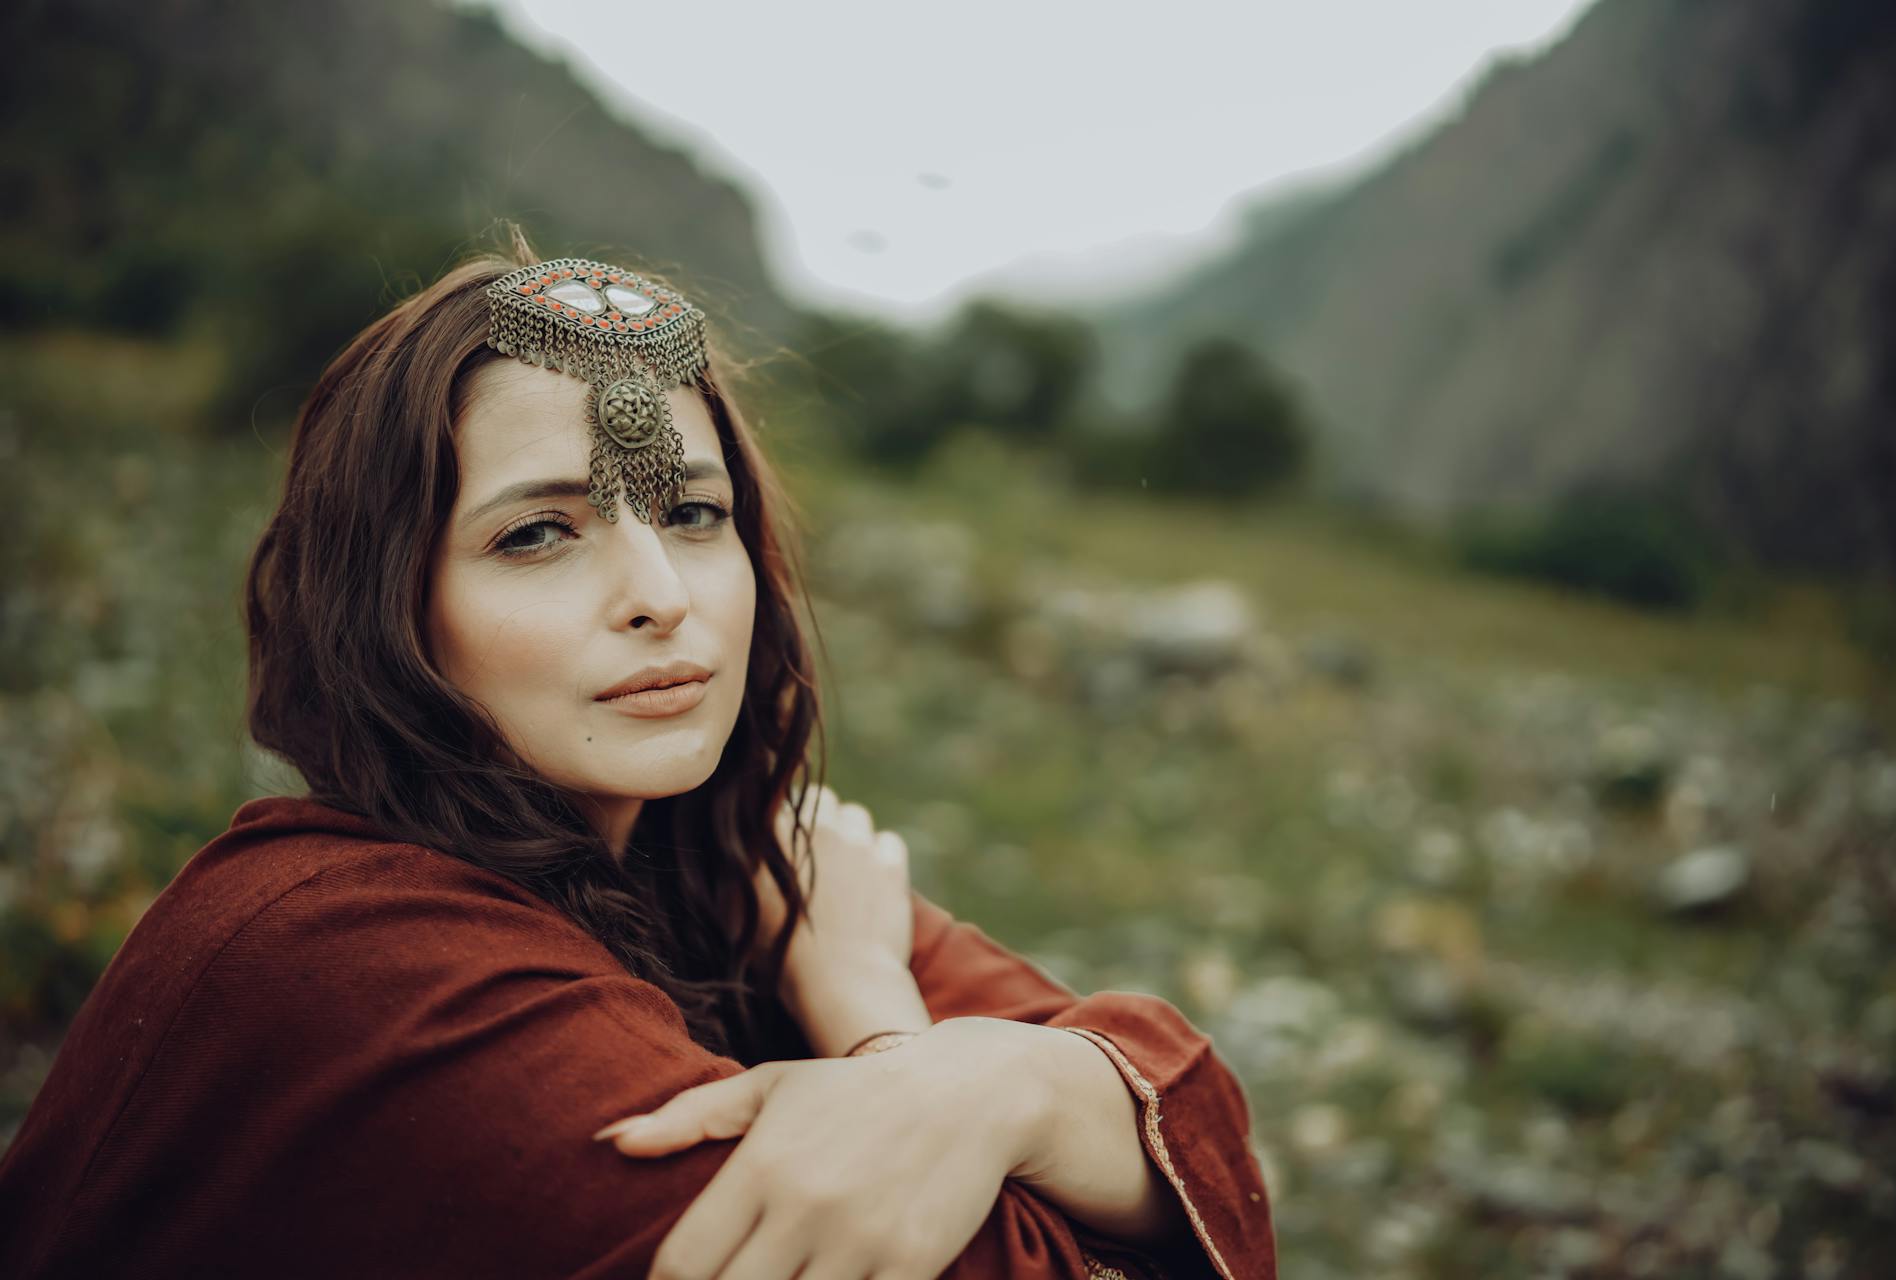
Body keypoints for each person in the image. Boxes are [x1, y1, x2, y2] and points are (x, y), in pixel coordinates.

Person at [0, 236, 1278, 1279]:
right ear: (384, 606)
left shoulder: (724, 859)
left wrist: (1000, 1092)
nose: (663, 594)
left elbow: (1211, 1148)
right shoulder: (355, 960)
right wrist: (888, 1033)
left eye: (692, 512)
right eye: (541, 533)